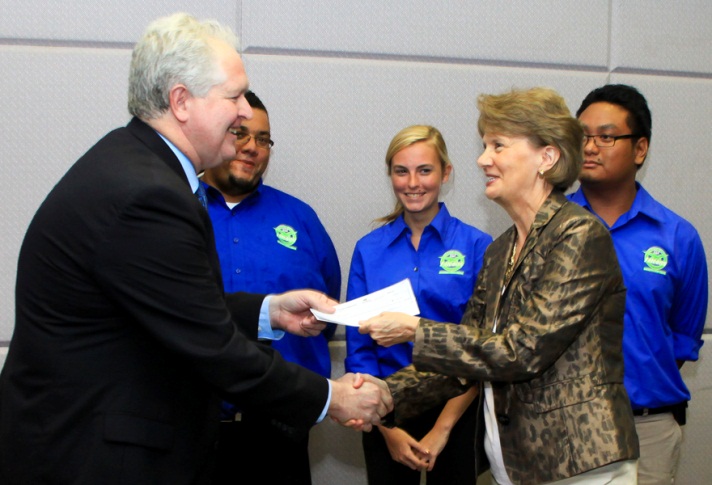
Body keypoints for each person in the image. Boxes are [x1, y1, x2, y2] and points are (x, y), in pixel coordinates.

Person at [0, 12, 391, 485]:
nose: (246, 111)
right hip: (98, 458)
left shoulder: (135, 166)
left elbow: (170, 302)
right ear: (181, 102)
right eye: (235, 96)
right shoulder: (148, 196)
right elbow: (211, 346)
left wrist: (269, 311)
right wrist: (332, 397)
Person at [360, 87, 640, 485]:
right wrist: (383, 397)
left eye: (498, 145)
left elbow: (520, 351)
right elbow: (465, 359)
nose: (482, 159)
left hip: (579, 464)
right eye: (485, 145)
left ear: (547, 157)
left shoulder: (579, 236)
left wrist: (415, 330)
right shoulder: (500, 251)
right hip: (517, 464)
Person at [568, 84, 708, 485]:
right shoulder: (546, 229)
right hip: (566, 426)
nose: (590, 147)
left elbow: (681, 338)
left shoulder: (678, 237)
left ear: (640, 149)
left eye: (606, 136)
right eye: (582, 137)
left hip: (648, 428)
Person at [201, 90, 341, 485]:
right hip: (193, 432)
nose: (252, 148)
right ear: (217, 134)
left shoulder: (301, 218)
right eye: (241, 134)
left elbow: (324, 317)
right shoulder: (177, 209)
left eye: (263, 139)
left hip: (281, 433)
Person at [345, 125, 492, 484]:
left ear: (446, 172)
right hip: (385, 409)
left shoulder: (478, 246)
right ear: (390, 175)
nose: (413, 182)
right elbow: (359, 349)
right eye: (401, 171)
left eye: (425, 170)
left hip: (458, 412)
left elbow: (482, 347)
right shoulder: (369, 249)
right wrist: (387, 428)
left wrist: (442, 430)